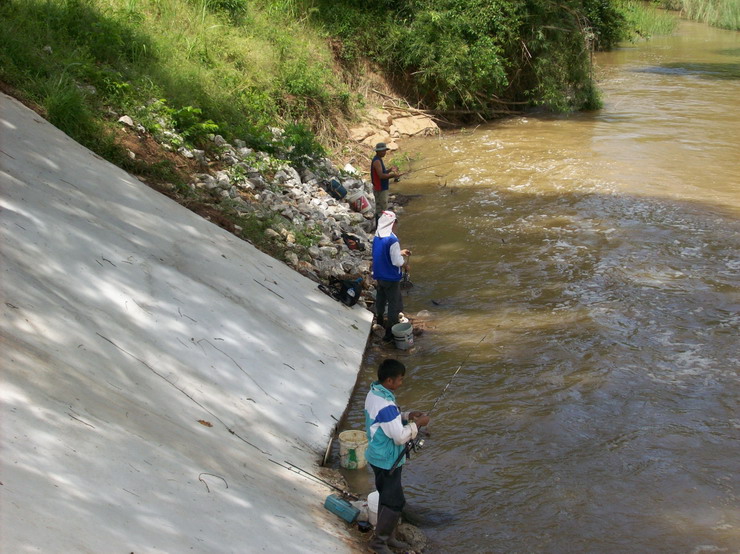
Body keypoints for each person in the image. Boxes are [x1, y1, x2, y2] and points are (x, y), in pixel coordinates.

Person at [364, 359, 430, 554]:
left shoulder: (375, 393)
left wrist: (407, 415)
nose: (401, 383)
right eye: (400, 380)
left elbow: (386, 421)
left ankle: (389, 537)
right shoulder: (385, 404)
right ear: (390, 380)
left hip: (378, 455)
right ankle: (378, 542)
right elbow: (400, 436)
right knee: (395, 502)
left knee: (387, 496)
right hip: (386, 459)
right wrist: (418, 424)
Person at [372, 211, 410, 342]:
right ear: (393, 224)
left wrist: (400, 252)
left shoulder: (377, 235)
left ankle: (380, 319)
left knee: (381, 298)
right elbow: (396, 261)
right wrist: (405, 265)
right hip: (390, 277)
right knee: (393, 304)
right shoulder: (393, 239)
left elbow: (384, 253)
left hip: (379, 274)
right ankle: (390, 332)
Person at [371, 142, 401, 219]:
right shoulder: (377, 161)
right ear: (377, 151)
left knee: (379, 209)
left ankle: (379, 226)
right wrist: (393, 175)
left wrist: (390, 170)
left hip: (379, 187)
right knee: (382, 209)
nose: (384, 152)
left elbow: (382, 173)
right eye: (382, 151)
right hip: (380, 188)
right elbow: (381, 176)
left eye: (385, 150)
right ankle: (381, 226)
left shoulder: (378, 159)